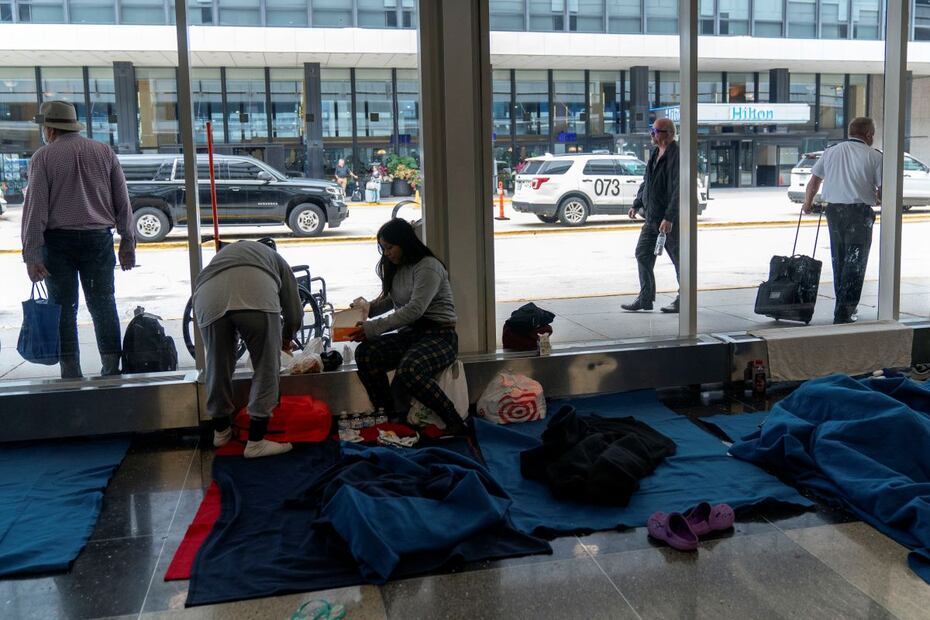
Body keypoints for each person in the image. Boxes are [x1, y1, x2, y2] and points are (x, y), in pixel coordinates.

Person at [20, 100, 136, 378]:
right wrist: (127, 241)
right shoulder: (104, 152)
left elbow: (36, 209)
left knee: (62, 309)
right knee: (103, 303)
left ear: (49, 129)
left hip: (58, 244)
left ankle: (71, 371)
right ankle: (111, 367)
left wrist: (32, 255)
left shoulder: (43, 157)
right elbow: (122, 200)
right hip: (98, 240)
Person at [347, 218, 464, 434]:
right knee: (366, 353)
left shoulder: (428, 267)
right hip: (411, 335)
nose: (386, 253)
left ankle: (454, 420)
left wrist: (371, 328)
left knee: (410, 369)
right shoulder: (399, 268)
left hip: (440, 335)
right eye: (383, 248)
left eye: (390, 247)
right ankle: (390, 415)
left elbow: (414, 309)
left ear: (404, 243)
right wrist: (365, 310)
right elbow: (392, 300)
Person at [193, 239, 302, 458]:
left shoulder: (225, 255)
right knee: (266, 365)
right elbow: (294, 311)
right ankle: (256, 441)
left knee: (217, 365)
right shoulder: (276, 259)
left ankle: (221, 431)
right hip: (256, 295)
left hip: (207, 297)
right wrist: (286, 337)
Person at [803, 117, 882, 324]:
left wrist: (807, 203)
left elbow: (813, 182)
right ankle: (845, 312)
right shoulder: (874, 155)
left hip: (834, 212)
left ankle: (842, 306)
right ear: (869, 135)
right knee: (855, 262)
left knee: (839, 259)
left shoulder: (831, 152)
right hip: (859, 214)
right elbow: (883, 191)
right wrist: (876, 196)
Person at [621, 117, 681, 314]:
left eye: (655, 131)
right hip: (652, 218)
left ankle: (684, 298)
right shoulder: (655, 153)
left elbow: (679, 189)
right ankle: (645, 298)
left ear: (668, 134)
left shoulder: (676, 155)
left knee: (680, 260)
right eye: (652, 130)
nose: (651, 134)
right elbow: (646, 182)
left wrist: (669, 217)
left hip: (667, 221)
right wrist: (637, 203)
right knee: (642, 254)